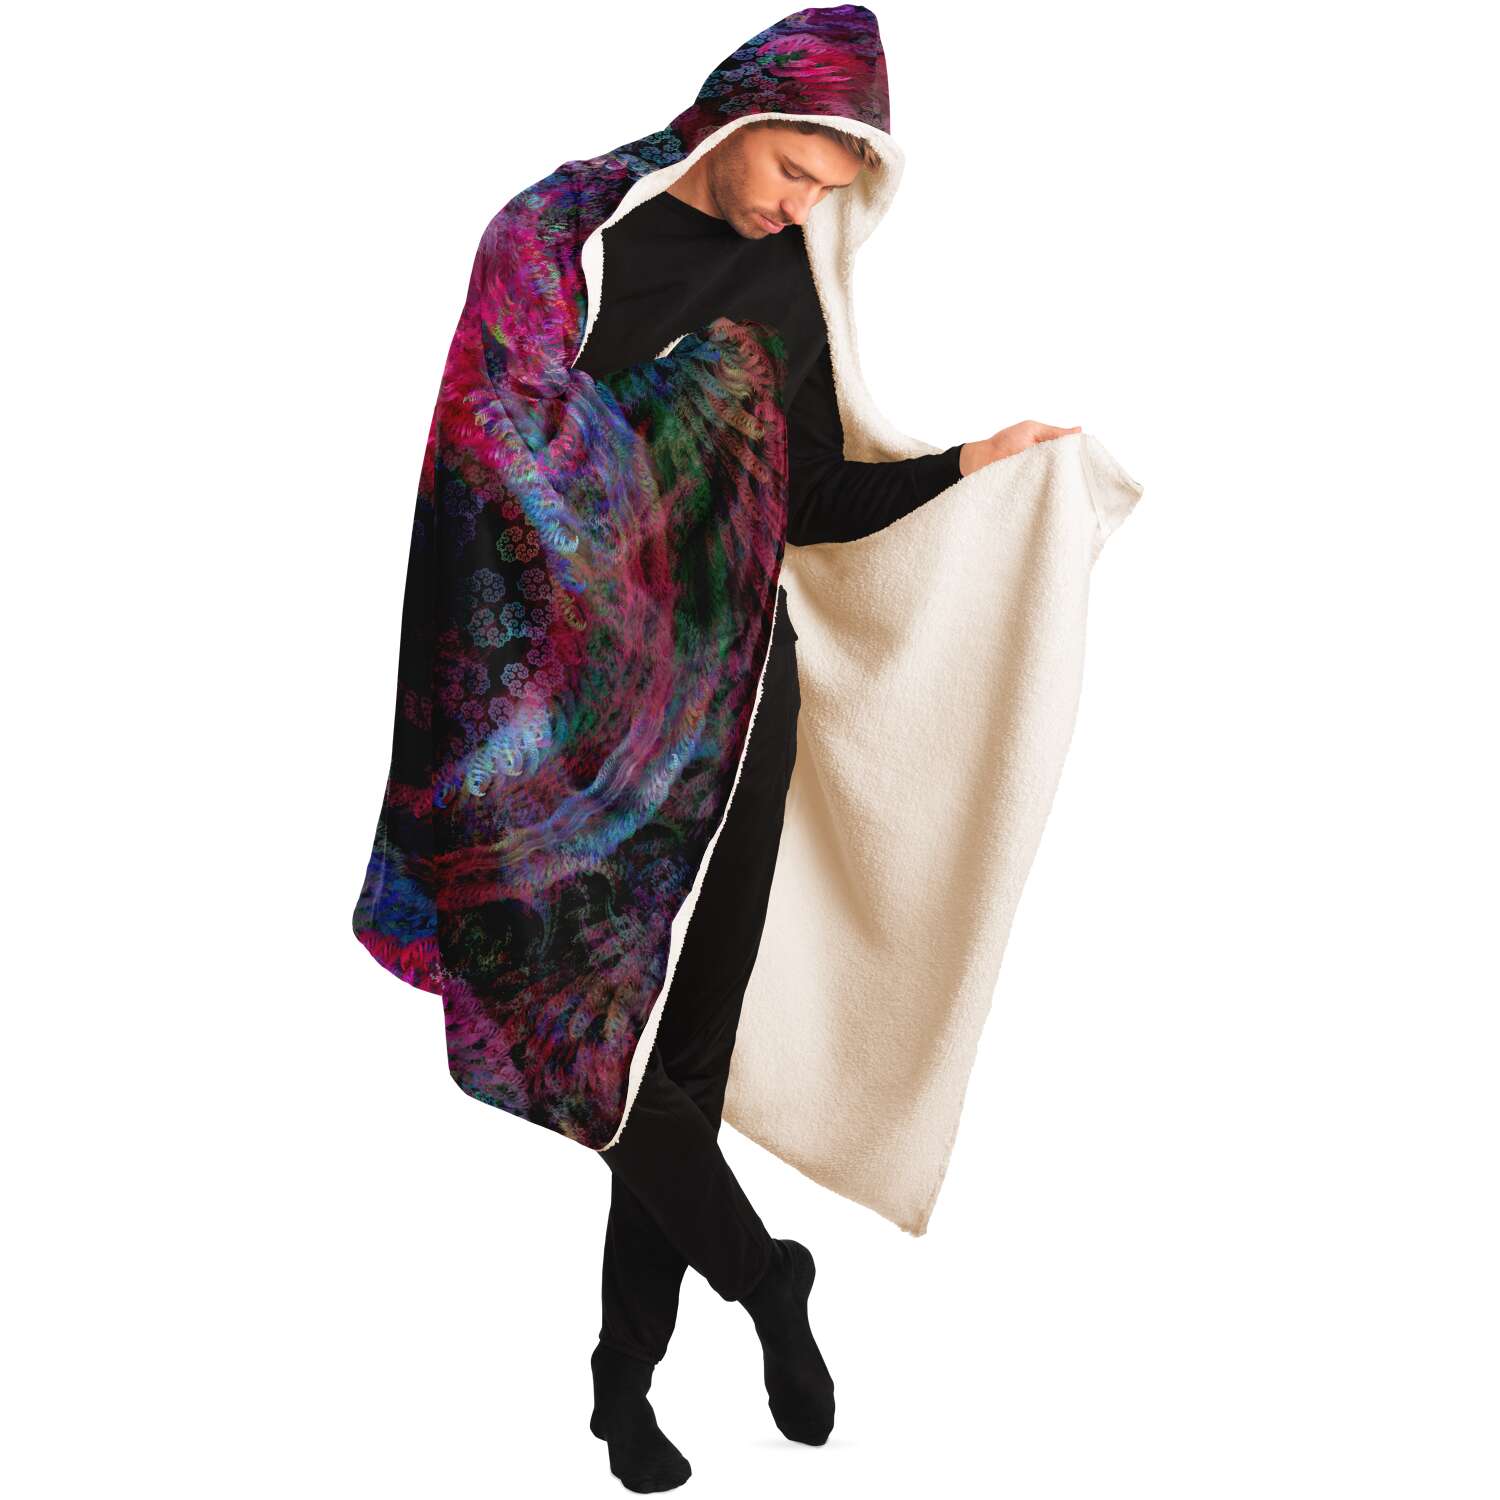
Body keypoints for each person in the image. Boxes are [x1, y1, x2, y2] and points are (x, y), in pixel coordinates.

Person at [572, 117, 1080, 1493]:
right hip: (591, 719)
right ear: (740, 120)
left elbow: (803, 495)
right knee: (579, 1048)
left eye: (830, 191)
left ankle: (625, 1388)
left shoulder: (789, 277)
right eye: (794, 173)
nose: (802, 210)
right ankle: (766, 1274)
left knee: (683, 1057)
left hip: (743, 699)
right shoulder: (582, 252)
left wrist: (968, 463)